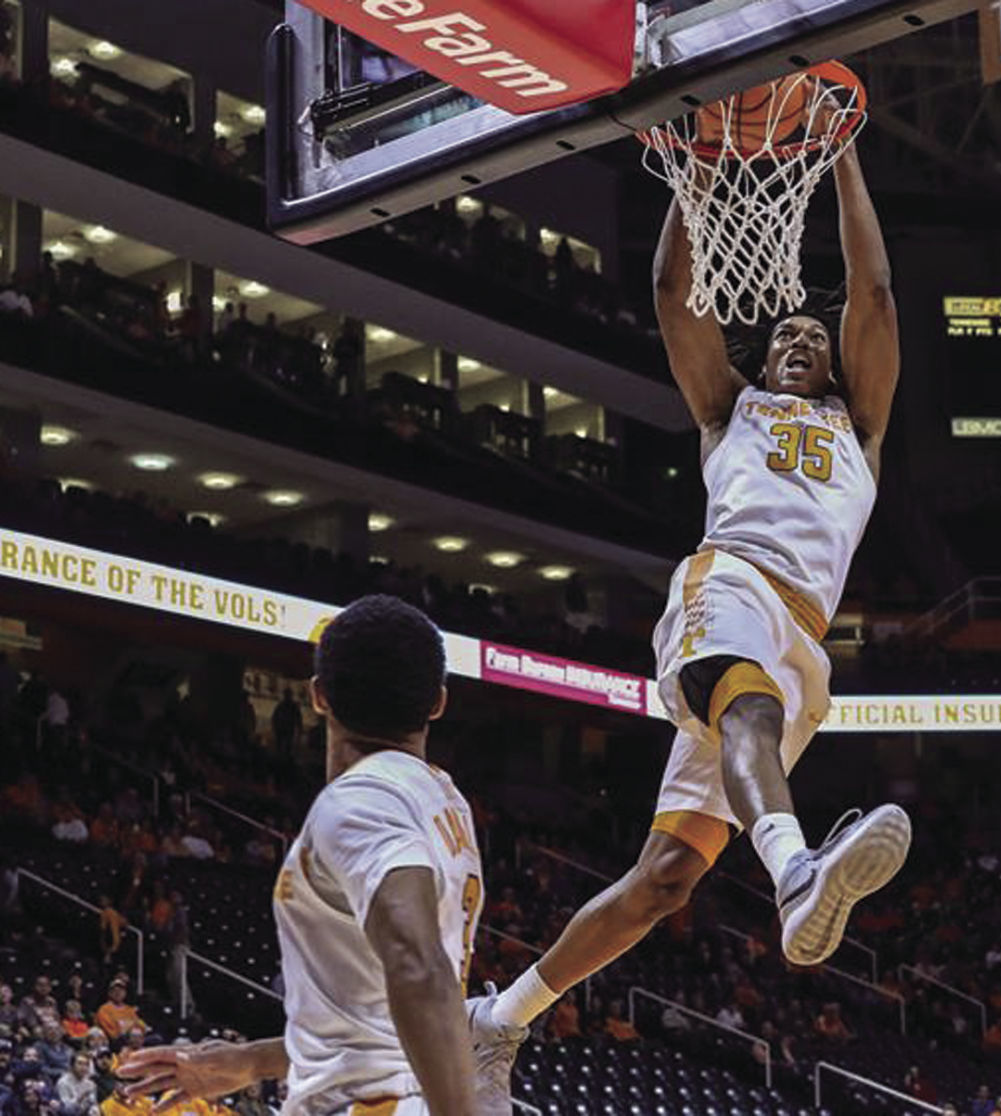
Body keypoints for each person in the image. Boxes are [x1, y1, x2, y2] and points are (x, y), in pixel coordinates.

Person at [479, 139, 908, 1065]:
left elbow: (871, 294)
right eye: (783, 333)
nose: (798, 338)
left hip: (803, 634)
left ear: (835, 365)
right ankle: (796, 870)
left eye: (813, 337)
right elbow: (675, 294)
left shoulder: (859, 426)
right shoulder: (729, 411)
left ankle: (500, 1017)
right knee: (747, 704)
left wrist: (840, 159)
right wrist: (695, 173)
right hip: (730, 581)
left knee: (667, 878)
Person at [118, 595, 484, 1116]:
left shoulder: (363, 801)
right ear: (437, 703)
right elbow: (371, 1030)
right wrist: (248, 1061)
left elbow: (418, 967)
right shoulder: (443, 800)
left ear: (317, 696)